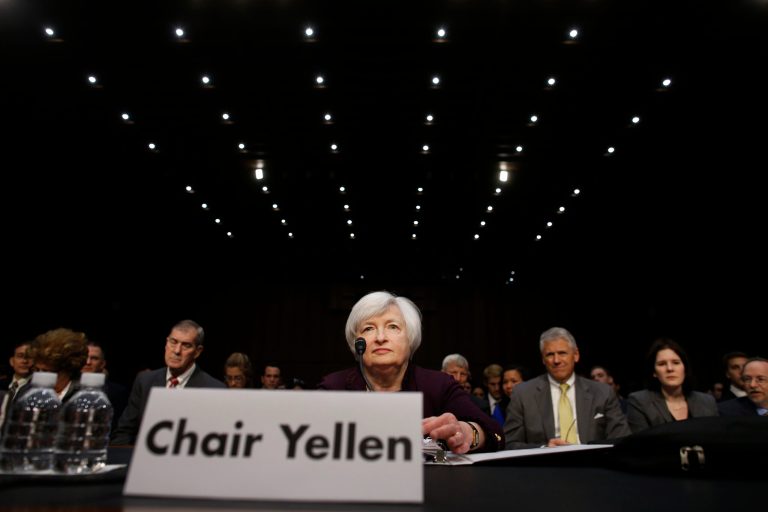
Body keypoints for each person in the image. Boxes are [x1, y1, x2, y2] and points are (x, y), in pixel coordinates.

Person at [318, 290, 503, 453]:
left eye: (393, 326)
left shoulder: (439, 385)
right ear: (357, 343)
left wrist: (469, 433)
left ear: (410, 338)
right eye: (368, 328)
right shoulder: (333, 387)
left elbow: (495, 433)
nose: (381, 337)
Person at [504, 327, 630, 449]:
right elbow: (510, 443)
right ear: (543, 359)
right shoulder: (523, 394)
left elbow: (622, 439)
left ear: (576, 355)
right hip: (545, 466)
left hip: (593, 464)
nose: (556, 360)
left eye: (562, 353)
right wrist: (543, 448)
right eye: (550, 354)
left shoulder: (602, 392)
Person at [111, 319, 225, 445]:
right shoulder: (144, 381)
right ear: (166, 343)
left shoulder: (214, 390)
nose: (177, 351)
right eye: (173, 342)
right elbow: (124, 432)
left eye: (186, 345)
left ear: (197, 352)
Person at [625, 338, 718, 433]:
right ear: (654, 372)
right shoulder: (639, 402)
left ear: (685, 368)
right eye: (662, 364)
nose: (670, 369)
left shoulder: (707, 401)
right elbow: (641, 444)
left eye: (676, 363)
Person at [27, 328, 89, 403]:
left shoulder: (86, 396)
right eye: (36, 370)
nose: (40, 377)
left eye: (46, 372)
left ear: (68, 371)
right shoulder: (27, 391)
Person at [81, 341, 129, 431]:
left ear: (102, 364)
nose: (88, 362)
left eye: (94, 358)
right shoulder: (65, 386)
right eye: (85, 357)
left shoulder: (117, 392)